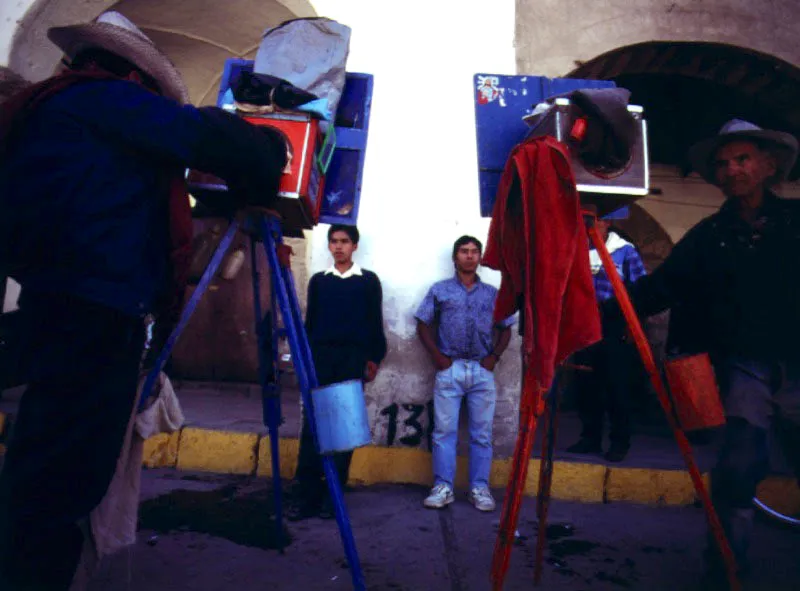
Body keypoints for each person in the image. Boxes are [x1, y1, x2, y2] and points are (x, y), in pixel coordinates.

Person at [0, 12, 290, 590]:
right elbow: (200, 135)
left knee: (42, 468)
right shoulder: (102, 99)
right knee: (61, 481)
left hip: (57, 305)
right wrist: (267, 144)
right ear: (132, 74)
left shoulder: (56, 110)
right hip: (94, 316)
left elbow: (116, 199)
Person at [605, 119, 800, 584]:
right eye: (722, 163)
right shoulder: (709, 235)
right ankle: (727, 573)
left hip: (797, 363)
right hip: (743, 368)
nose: (731, 169)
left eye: (742, 158)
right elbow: (661, 288)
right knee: (736, 472)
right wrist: (606, 307)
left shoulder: (796, 222)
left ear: (769, 166)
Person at [288, 224, 387, 520]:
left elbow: (374, 322)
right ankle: (306, 495)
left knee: (344, 427)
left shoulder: (367, 281)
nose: (339, 247)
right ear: (329, 246)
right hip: (320, 358)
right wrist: (304, 359)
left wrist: (373, 358)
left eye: (345, 242)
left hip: (351, 359)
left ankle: (334, 494)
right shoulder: (320, 281)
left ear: (354, 246)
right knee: (314, 427)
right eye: (334, 242)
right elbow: (311, 322)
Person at [416, 235, 514, 512]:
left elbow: (506, 327)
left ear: (480, 258)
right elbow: (423, 323)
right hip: (451, 369)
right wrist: (439, 358)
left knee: (481, 434)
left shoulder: (492, 294)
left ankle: (479, 488)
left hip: (482, 371)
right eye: (464, 251)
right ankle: (443, 486)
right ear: (455, 257)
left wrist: (494, 357)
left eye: (474, 252)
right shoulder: (440, 290)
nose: (469, 256)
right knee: (444, 431)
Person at [567, 217, 646, 462]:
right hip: (583, 326)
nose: (591, 225)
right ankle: (589, 437)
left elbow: (641, 290)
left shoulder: (624, 251)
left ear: (608, 223)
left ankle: (619, 442)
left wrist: (632, 326)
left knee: (616, 387)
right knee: (586, 385)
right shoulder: (576, 249)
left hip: (614, 326)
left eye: (597, 220)